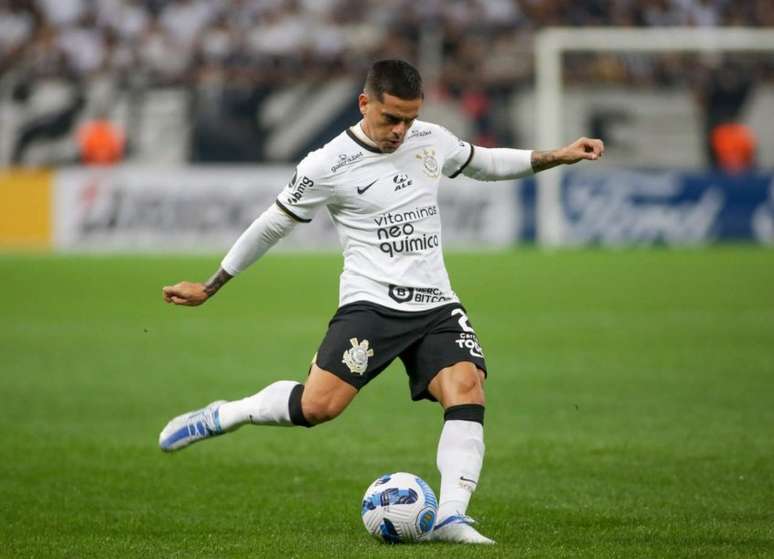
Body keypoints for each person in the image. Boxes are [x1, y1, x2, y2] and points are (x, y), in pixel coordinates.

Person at [159, 59, 604, 545]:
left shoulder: (429, 139)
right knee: (318, 407)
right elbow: (271, 225)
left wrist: (558, 155)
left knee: (467, 388)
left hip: (436, 305)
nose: (401, 131)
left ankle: (452, 516)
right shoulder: (326, 164)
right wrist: (212, 284)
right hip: (371, 307)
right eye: (392, 118)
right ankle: (229, 412)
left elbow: (483, 162)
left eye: (410, 119)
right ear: (364, 103)